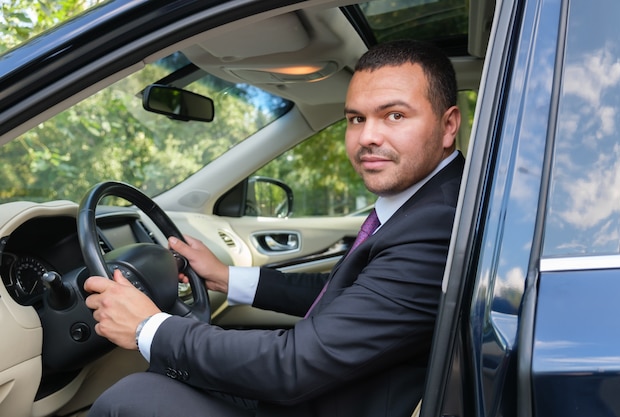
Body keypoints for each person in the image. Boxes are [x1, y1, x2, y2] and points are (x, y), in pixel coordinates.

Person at [84, 39, 464, 417]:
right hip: (332, 388)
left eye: (394, 115)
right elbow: (344, 294)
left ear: (448, 126)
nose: (367, 137)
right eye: (356, 119)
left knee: (129, 400)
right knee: (159, 380)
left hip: (326, 399)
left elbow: (294, 365)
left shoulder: (436, 224)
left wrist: (147, 327)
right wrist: (226, 277)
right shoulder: (422, 202)